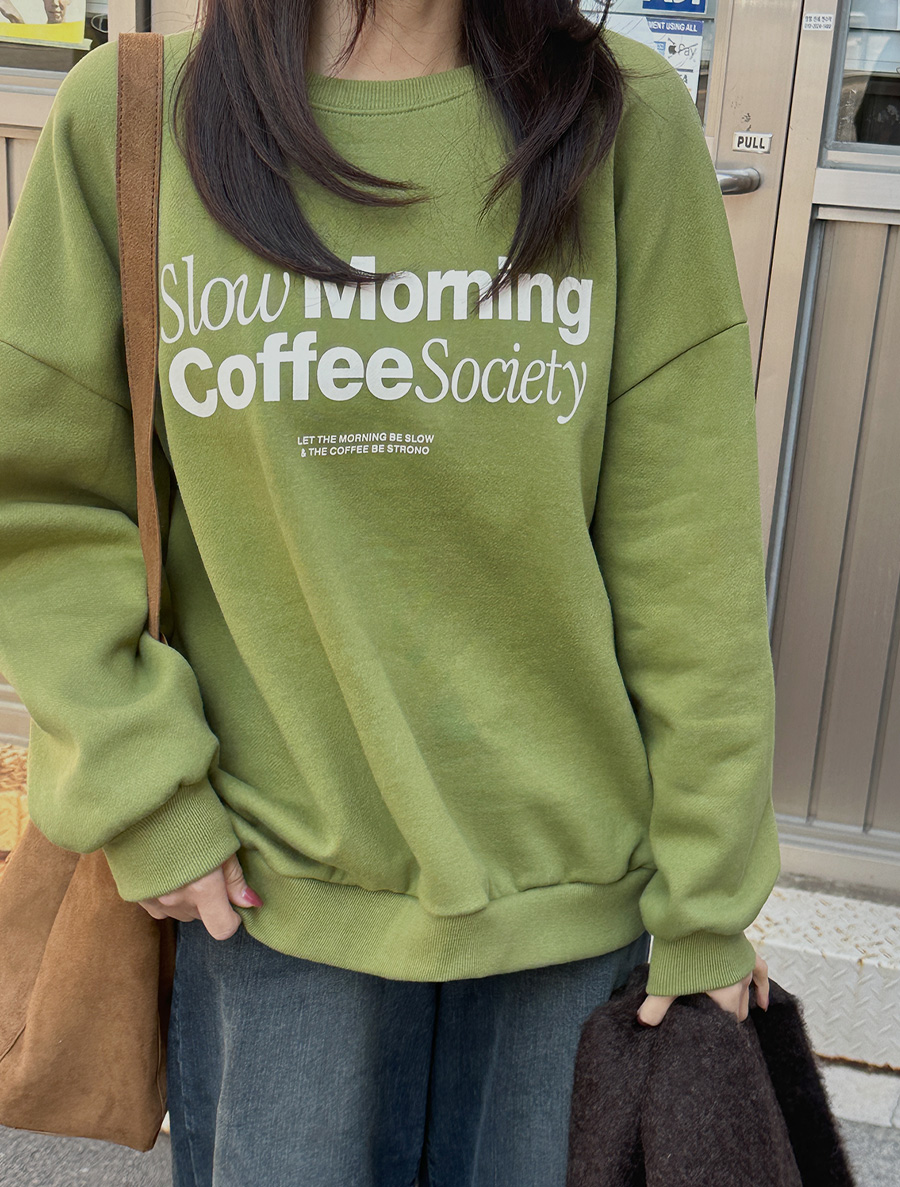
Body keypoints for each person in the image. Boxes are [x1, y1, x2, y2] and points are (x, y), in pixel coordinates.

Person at [0, 0, 778, 1183]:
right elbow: (42, 503)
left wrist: (709, 898)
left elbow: (688, 549)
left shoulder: (623, 118)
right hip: (267, 903)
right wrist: (142, 789)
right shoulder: (137, 117)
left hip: (571, 919)